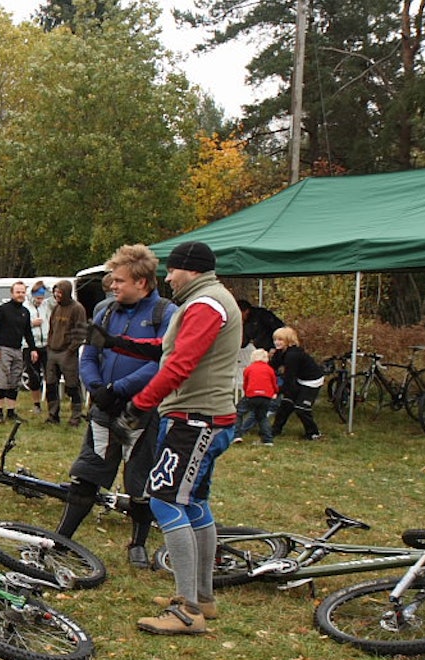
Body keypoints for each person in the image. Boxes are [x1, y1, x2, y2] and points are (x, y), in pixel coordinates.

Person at [117, 240, 241, 635]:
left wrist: (140, 403)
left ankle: (187, 611)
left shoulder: (206, 304)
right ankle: (202, 597)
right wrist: (117, 342)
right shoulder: (206, 301)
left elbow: (180, 364)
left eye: (172, 270)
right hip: (205, 417)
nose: (168, 278)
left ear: (191, 269)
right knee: (195, 503)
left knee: (164, 500)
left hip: (195, 420)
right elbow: (170, 349)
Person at [57, 244, 175, 569]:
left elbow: (161, 362)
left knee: (140, 481)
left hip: (141, 411)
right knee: (87, 473)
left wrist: (118, 389)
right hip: (104, 407)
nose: (112, 285)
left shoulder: (165, 314)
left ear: (142, 282)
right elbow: (89, 353)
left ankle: (138, 543)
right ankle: (61, 539)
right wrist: (96, 387)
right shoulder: (106, 311)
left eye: (119, 280)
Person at [0, 281, 36, 423]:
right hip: (3, 349)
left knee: (14, 381)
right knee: (1, 381)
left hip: (17, 350)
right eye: (18, 292)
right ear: (12, 293)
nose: (20, 295)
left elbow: (28, 332)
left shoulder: (25, 312)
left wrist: (33, 349)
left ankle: (11, 412)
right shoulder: (2, 309)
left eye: (23, 292)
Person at [44, 279, 88, 426]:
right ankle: (53, 415)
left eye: (60, 292)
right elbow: (51, 328)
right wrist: (49, 345)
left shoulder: (77, 308)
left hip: (67, 353)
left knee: (72, 385)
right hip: (52, 351)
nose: (57, 295)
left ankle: (76, 416)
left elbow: (81, 332)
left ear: (67, 292)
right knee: (51, 384)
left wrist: (71, 349)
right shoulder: (56, 308)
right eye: (55, 292)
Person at [269, 326, 324, 440]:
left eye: (280, 339)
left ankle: (314, 433)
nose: (276, 342)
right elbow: (272, 367)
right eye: (275, 339)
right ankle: (275, 430)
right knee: (286, 404)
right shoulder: (280, 352)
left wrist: (278, 391)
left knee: (301, 408)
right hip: (298, 379)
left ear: (289, 340)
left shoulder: (292, 355)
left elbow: (289, 378)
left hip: (312, 381)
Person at [234, 348, 278, 445]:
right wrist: (275, 392)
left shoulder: (249, 369)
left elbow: (246, 383)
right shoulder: (270, 369)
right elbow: (274, 383)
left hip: (252, 395)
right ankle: (268, 440)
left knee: (238, 413)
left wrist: (246, 392)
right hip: (266, 397)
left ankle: (237, 435)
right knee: (262, 417)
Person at [24, 282, 53, 414]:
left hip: (46, 345)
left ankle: (51, 403)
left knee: (50, 375)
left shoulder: (46, 305)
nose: (40, 300)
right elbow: (20, 325)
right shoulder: (25, 307)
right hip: (30, 346)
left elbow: (55, 298)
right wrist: (32, 324)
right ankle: (36, 404)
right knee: (34, 376)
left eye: (42, 298)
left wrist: (47, 287)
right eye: (38, 298)